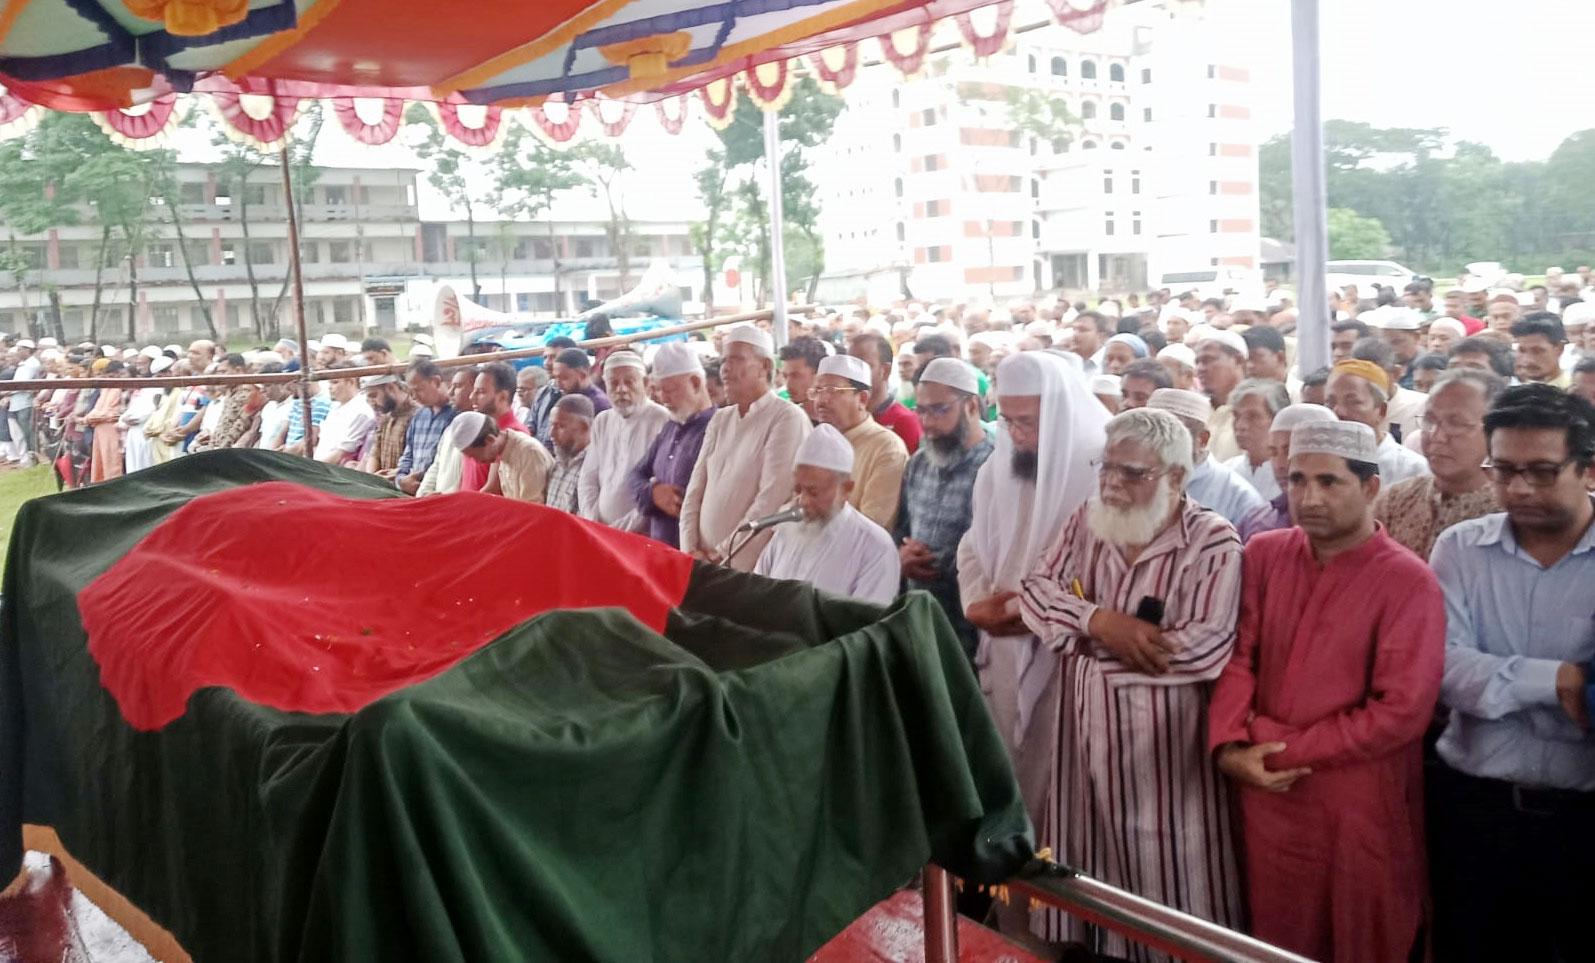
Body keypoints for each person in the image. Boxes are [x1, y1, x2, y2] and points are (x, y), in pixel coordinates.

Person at [1209, 419, 1445, 963]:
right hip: (1263, 792)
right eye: (1296, 480)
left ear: (1370, 488)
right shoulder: (1265, 553)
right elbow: (1239, 656)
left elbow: (1400, 712)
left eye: (1328, 482)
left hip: (1352, 799)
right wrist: (1227, 746)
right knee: (1268, 929)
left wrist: (1273, 752)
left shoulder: (1409, 580)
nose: (1308, 497)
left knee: (1357, 930)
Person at [1018, 407, 1244, 955]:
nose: (1113, 484)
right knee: (1084, 868)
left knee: (1169, 881)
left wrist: (1079, 635)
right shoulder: (1086, 520)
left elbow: (1202, 648)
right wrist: (1102, 623)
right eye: (1107, 468)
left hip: (1162, 752)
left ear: (1175, 477)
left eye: (1133, 473)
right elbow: (1034, 591)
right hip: (1079, 738)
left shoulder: (1213, 542)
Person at [1427, 385, 1595, 963]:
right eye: (1503, 470)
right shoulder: (1460, 550)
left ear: (1588, 468)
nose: (1518, 488)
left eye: (1543, 472)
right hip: (1475, 810)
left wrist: (1501, 680)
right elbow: (1443, 669)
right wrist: (1563, 682)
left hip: (1585, 818)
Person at [956, 351, 1108, 845]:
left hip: (1068, 658)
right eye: (1009, 420)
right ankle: (1009, 906)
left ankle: (1054, 919)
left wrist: (1035, 612)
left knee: (1058, 792)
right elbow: (972, 545)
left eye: (1028, 422)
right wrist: (976, 603)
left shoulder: (1097, 470)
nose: (1016, 433)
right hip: (1000, 644)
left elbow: (1104, 567)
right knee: (1009, 779)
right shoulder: (995, 469)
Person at [680, 326, 812, 569]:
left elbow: (771, 500)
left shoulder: (786, 417)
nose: (725, 369)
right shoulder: (721, 418)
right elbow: (695, 489)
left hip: (746, 568)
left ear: (765, 367)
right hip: (702, 565)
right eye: (723, 360)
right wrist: (689, 550)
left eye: (736, 359)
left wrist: (720, 555)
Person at [895, 358, 994, 658]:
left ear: (971, 406)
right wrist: (901, 557)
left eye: (940, 410)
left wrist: (939, 565)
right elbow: (901, 530)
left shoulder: (995, 466)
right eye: (921, 410)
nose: (928, 422)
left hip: (974, 629)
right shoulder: (919, 463)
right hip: (920, 621)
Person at [753, 424, 900, 604]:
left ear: (846, 489)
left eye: (813, 492)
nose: (803, 501)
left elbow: (867, 624)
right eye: (798, 490)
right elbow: (757, 595)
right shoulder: (786, 532)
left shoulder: (875, 546)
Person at [1372, 369, 1504, 560]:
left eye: (1456, 423)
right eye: (1429, 420)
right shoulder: (1394, 500)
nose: (1436, 436)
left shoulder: (1506, 511)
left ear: (1494, 430)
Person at [630, 343, 716, 546]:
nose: (663, 398)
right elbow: (635, 475)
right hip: (661, 554)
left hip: (695, 557)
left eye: (670, 390)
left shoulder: (717, 428)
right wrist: (653, 493)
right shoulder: (670, 427)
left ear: (695, 383)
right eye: (658, 391)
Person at [810, 353, 908, 531]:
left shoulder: (886, 448)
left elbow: (872, 526)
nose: (821, 401)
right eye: (817, 391)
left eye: (832, 391)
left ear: (862, 399)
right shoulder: (815, 442)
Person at [1147, 388, 1265, 527]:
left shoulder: (1238, 497)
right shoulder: (1128, 479)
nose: (1154, 443)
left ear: (1202, 439)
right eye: (1148, 434)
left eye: (1168, 435)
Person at [580, 351, 669, 532]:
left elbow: (657, 489)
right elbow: (588, 478)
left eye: (629, 382)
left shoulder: (662, 420)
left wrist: (619, 531)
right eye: (613, 383)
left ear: (645, 384)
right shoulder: (602, 420)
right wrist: (593, 523)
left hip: (640, 534)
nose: (621, 389)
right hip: (601, 532)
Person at [1235, 403, 1338, 543]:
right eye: (1273, 453)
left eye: (1289, 451)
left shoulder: (1352, 524)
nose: (1279, 465)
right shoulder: (1259, 520)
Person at [1325, 359, 1429, 484]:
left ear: (1381, 411)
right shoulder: (1317, 465)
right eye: (1330, 403)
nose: (1338, 412)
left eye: (1352, 402)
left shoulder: (1414, 471)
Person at [446, 410, 553, 503]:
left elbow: (532, 509)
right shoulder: (503, 451)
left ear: (490, 440)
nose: (477, 462)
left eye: (474, 456)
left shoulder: (528, 453)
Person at [458, 362, 527, 492]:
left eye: (481, 392)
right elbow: (464, 480)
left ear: (502, 397)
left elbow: (492, 489)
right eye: (474, 391)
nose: (472, 397)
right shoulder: (476, 428)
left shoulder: (511, 435)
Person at [849, 332, 921, 454]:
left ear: (885, 371)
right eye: (849, 367)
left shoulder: (904, 421)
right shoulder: (845, 418)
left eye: (863, 367)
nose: (853, 375)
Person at [1223, 378, 1292, 500]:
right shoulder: (1226, 471)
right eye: (1236, 416)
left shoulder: (1288, 475)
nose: (1240, 426)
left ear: (1277, 419)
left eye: (1253, 416)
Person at [395, 360, 457, 495]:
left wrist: (423, 483)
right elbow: (407, 456)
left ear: (435, 381)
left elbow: (446, 464)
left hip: (438, 490)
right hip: (411, 491)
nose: (414, 397)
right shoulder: (418, 416)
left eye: (418, 390)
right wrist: (401, 480)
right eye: (411, 392)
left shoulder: (456, 416)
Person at [417, 368, 477, 497]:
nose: (450, 392)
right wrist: (423, 495)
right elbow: (436, 465)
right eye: (451, 386)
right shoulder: (450, 428)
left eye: (458, 386)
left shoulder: (481, 433)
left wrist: (445, 498)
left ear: (475, 389)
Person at [1194, 329, 1246, 462]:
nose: (1200, 368)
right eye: (1197, 362)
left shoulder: (1256, 412)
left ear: (1238, 361)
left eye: (1208, 360)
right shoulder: (1196, 411)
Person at [312, 365, 375, 466]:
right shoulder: (335, 407)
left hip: (333, 471)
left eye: (335, 382)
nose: (330, 387)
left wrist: (313, 468)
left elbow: (342, 453)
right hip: (320, 464)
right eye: (329, 383)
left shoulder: (361, 410)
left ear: (351, 382)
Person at [357, 374, 415, 477]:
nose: (372, 403)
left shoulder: (416, 415)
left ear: (390, 387)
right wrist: (374, 477)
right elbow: (375, 454)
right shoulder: (385, 418)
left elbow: (416, 463)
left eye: (374, 395)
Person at [544, 394, 593, 513]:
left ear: (584, 427)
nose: (551, 434)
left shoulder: (594, 467)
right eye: (551, 425)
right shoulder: (558, 462)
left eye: (561, 426)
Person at [119, 358, 169, 473]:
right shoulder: (148, 388)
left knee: (147, 468)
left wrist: (127, 419)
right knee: (135, 468)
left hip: (147, 433)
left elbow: (141, 415)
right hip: (135, 434)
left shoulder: (163, 391)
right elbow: (127, 414)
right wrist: (125, 419)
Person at [82, 361, 125, 482]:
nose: (108, 379)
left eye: (112, 376)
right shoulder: (105, 389)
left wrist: (96, 417)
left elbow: (115, 412)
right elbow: (97, 408)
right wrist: (88, 418)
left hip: (112, 430)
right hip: (99, 430)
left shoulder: (121, 389)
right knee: (100, 462)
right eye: (107, 376)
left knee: (112, 462)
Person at [526, 336, 573, 446]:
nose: (547, 363)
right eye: (545, 357)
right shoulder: (542, 393)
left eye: (553, 357)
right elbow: (530, 426)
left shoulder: (577, 395)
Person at [1511, 312, 1571, 388]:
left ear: (1559, 348)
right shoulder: (1510, 393)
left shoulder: (1575, 393)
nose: (1528, 360)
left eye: (1537, 351)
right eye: (1522, 351)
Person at [777, 336, 828, 424]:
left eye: (796, 376)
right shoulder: (785, 419)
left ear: (818, 374)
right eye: (785, 376)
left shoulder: (838, 421)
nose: (788, 385)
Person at [6, 340, 40, 465]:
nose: (18, 352)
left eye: (20, 349)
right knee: (19, 433)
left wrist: (5, 393)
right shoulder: (23, 364)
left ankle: (33, 459)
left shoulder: (32, 364)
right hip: (16, 403)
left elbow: (21, 385)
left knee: (27, 433)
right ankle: (26, 459)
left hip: (25, 403)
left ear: (27, 350)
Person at [551, 347, 613, 415]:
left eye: (564, 378)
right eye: (555, 377)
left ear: (582, 375)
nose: (558, 384)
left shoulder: (599, 405)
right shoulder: (562, 397)